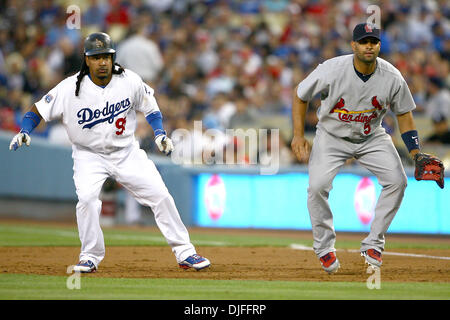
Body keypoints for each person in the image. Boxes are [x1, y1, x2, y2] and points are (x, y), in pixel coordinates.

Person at [9, 32, 210, 273]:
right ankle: (90, 256)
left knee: (160, 195)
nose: (102, 62)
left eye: (106, 56)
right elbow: (38, 110)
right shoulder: (70, 87)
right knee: (87, 200)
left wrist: (159, 133)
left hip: (125, 151)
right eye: (96, 57)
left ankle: (185, 252)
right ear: (87, 60)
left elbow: (151, 107)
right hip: (88, 155)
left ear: (113, 57)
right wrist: (25, 130)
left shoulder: (129, 80)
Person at [291, 23, 431, 273]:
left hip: (372, 136)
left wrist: (415, 152)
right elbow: (301, 95)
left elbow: (404, 114)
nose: (369, 45)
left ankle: (374, 243)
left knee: (398, 181)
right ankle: (324, 248)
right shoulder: (332, 69)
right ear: (353, 45)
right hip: (332, 136)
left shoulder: (392, 76)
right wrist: (298, 135)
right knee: (317, 187)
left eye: (373, 41)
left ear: (379, 45)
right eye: (364, 41)